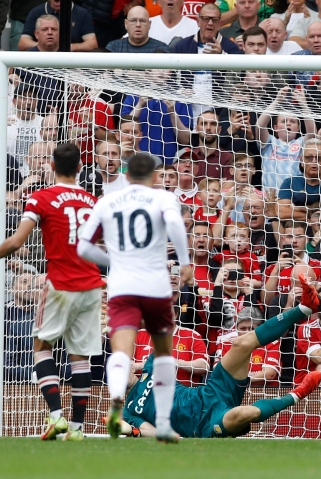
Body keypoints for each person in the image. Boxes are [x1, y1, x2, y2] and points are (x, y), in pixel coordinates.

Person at [0, 142, 102, 440]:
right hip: (91, 285)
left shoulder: (40, 198)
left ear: (53, 167)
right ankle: (78, 428)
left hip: (59, 283)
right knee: (80, 356)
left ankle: (56, 417)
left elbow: (18, 241)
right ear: (80, 167)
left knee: (42, 347)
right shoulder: (92, 202)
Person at [118, 274, 321, 438]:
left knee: (242, 343)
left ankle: (305, 307)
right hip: (204, 424)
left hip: (209, 392)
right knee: (243, 413)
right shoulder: (129, 411)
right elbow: (154, 432)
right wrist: (133, 431)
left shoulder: (151, 366)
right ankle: (298, 394)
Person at [76, 152, 191, 442]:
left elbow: (83, 247)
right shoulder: (164, 198)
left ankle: (116, 401)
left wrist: (113, 262)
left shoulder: (107, 201)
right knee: (163, 353)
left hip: (122, 286)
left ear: (126, 177)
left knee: (121, 352)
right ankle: (163, 423)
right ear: (155, 176)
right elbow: (176, 226)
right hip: (155, 285)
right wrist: (185, 261)